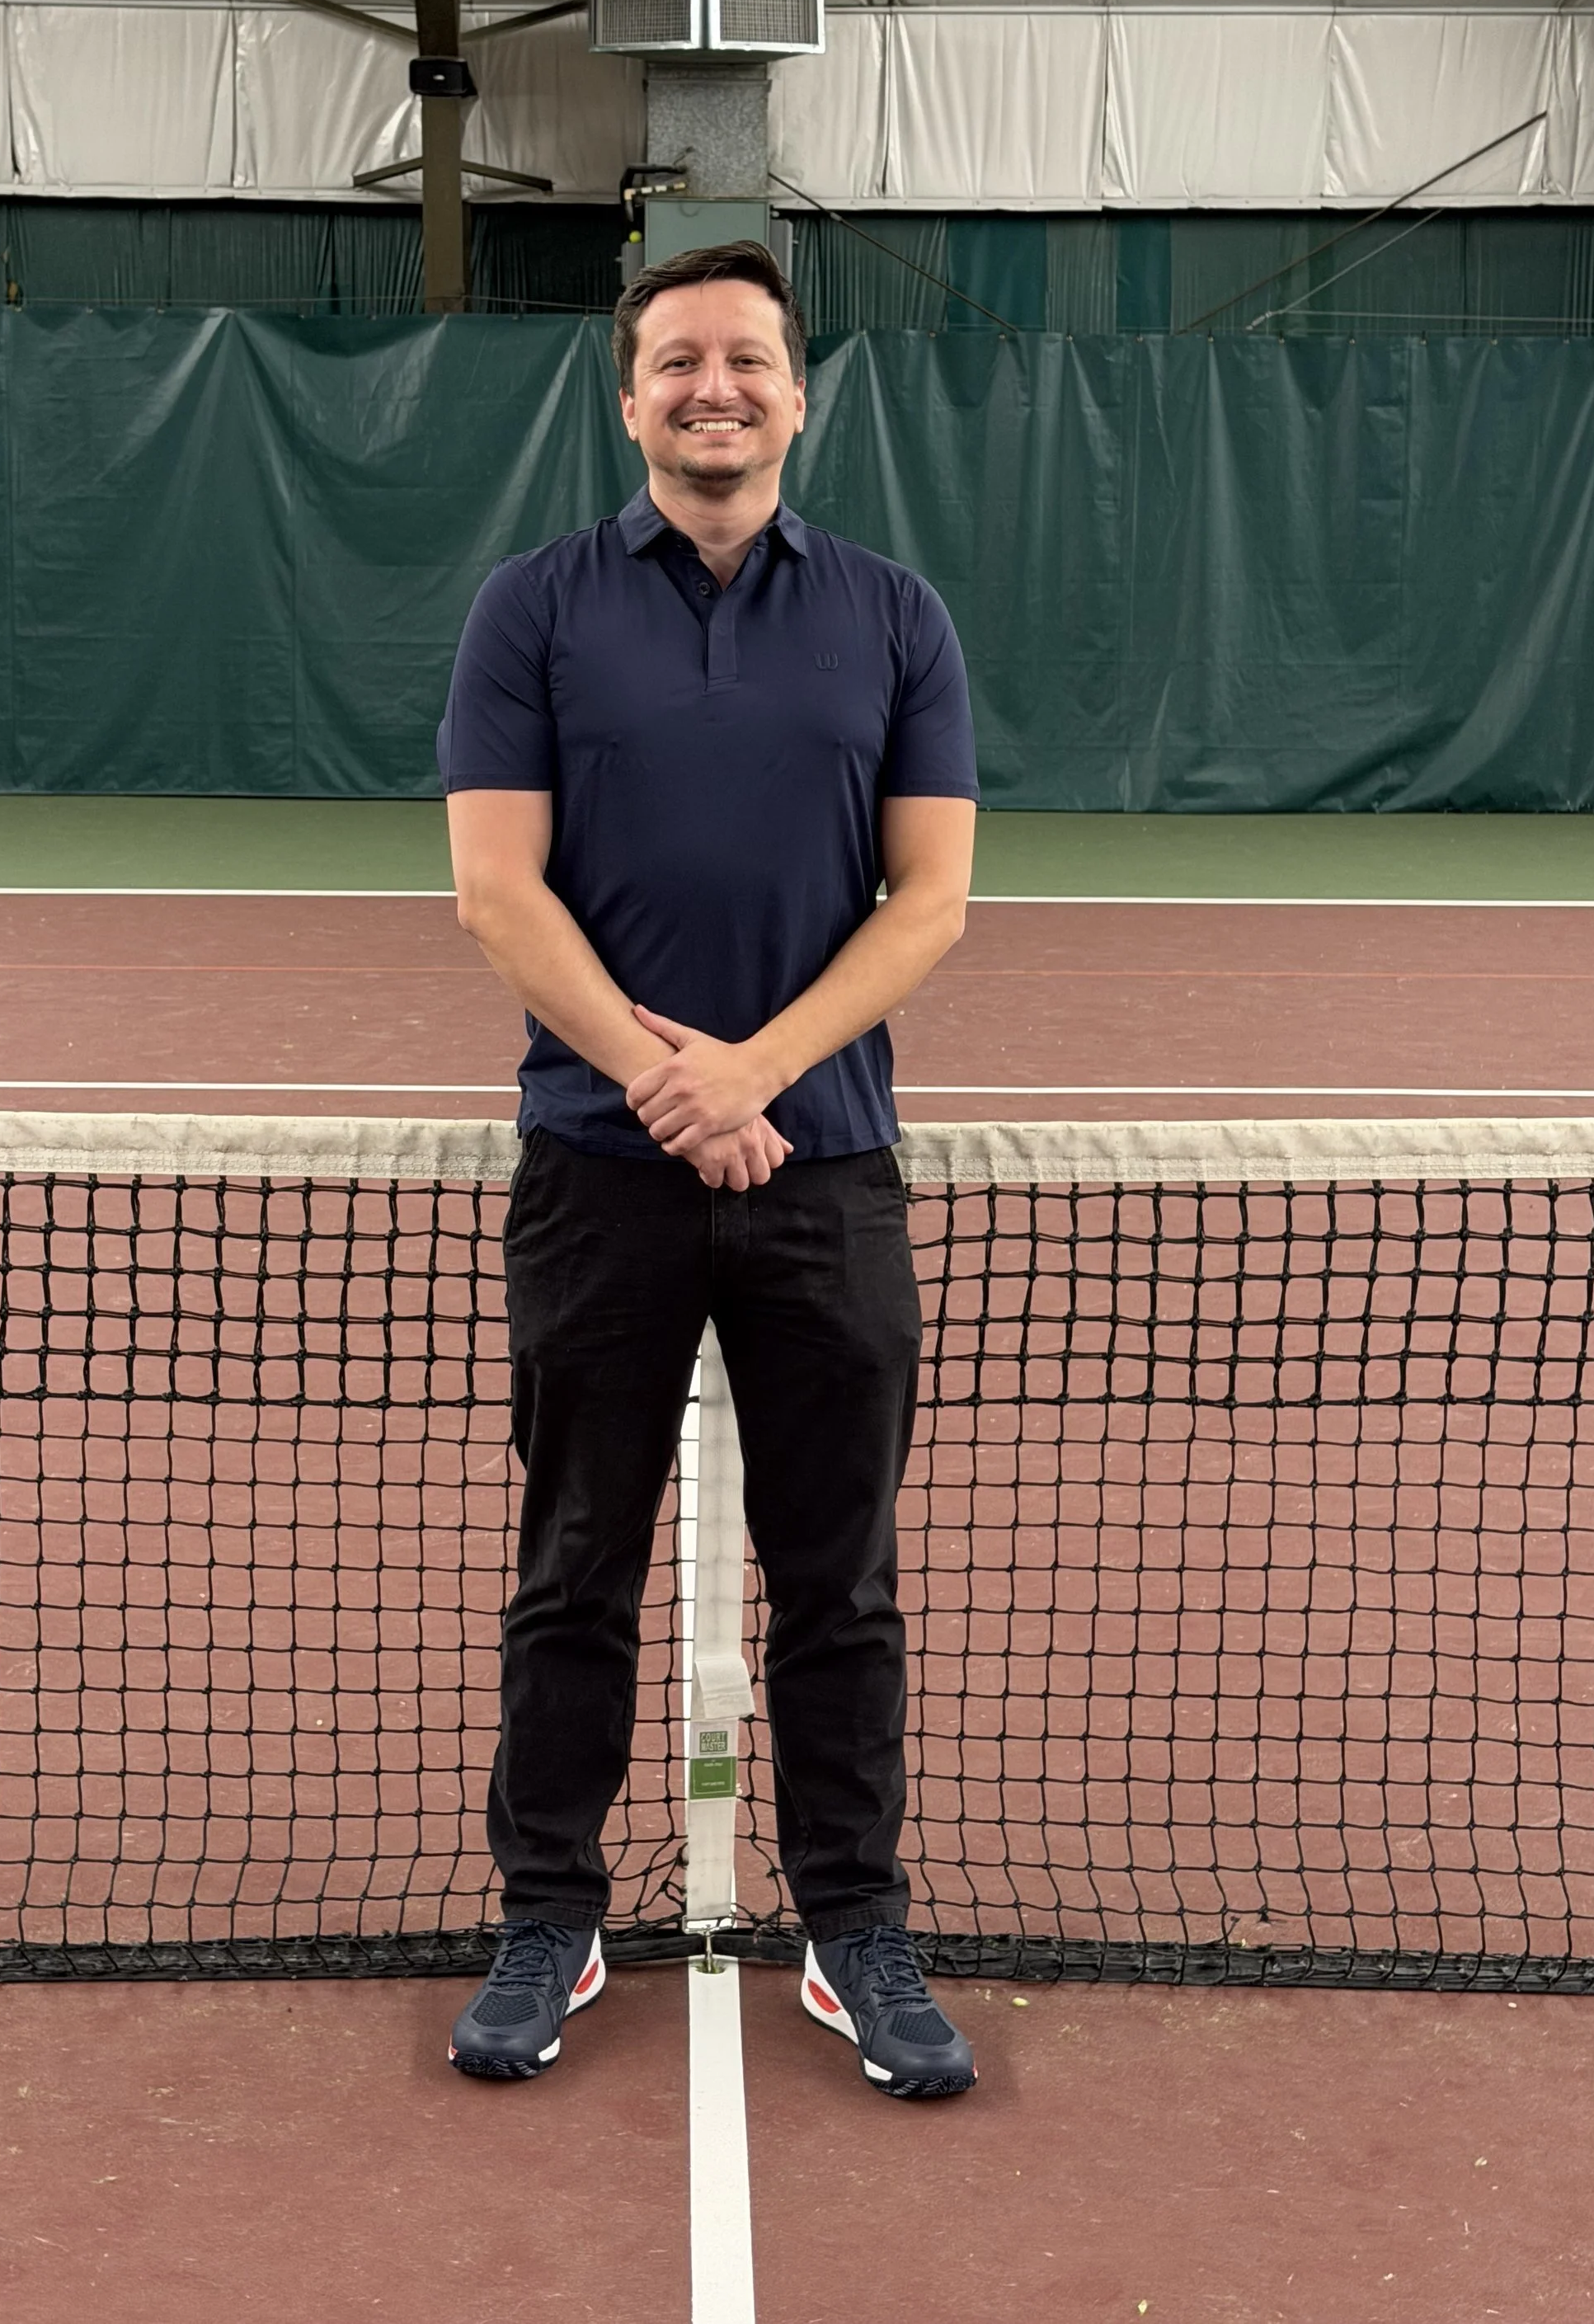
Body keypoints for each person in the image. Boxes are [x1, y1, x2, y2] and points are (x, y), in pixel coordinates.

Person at [435, 240, 980, 2098]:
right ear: (628, 393)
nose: (711, 387)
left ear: (799, 389)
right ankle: (547, 1911)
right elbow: (496, 887)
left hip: (823, 1170)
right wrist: (666, 1086)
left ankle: (850, 1924)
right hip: (598, 1172)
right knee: (572, 1564)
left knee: (838, 1582)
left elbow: (933, 898)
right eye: (675, 360)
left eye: (744, 358)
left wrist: (750, 1073)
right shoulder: (533, 605)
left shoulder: (897, 617)